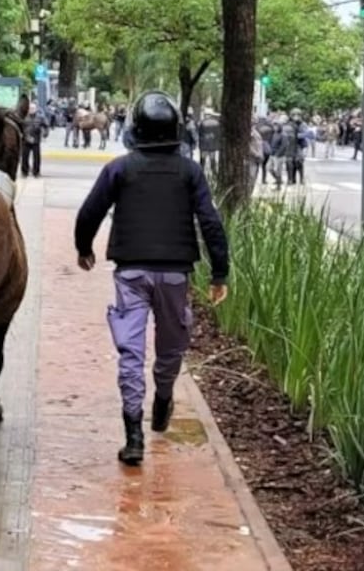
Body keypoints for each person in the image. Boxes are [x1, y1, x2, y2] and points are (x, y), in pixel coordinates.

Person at [74, 90, 230, 466]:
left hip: (131, 272)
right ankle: (162, 398)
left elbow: (90, 211)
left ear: (135, 129)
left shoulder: (120, 169)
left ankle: (133, 437)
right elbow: (210, 222)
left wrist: (84, 248)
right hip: (176, 273)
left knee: (131, 352)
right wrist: (219, 272)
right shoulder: (190, 171)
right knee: (171, 345)